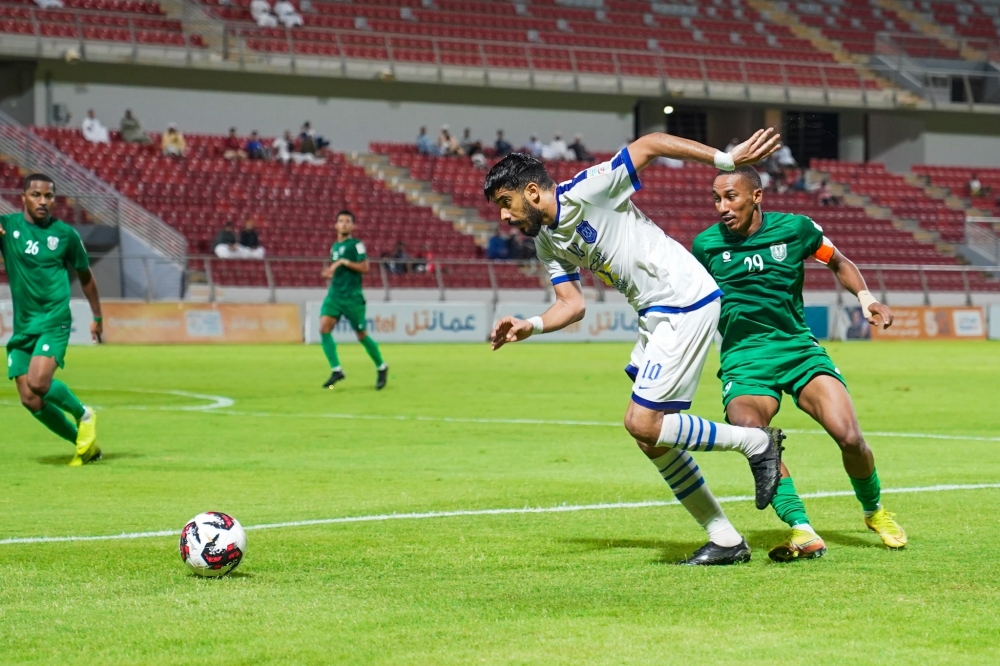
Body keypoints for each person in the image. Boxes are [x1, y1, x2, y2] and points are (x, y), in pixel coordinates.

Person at [485, 130, 785, 566]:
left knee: (642, 423)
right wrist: (529, 325)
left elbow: (650, 143)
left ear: (531, 192)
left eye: (505, 204)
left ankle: (756, 443)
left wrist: (724, 158)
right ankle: (724, 538)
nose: (504, 218)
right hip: (653, 313)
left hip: (682, 297)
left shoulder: (589, 190)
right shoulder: (547, 241)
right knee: (650, 439)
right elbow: (571, 305)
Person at [691, 165, 907, 562]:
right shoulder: (705, 246)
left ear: (756, 196)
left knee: (850, 437)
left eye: (731, 197)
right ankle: (802, 529)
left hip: (798, 350)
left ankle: (875, 511)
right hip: (745, 359)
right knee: (752, 435)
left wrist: (867, 300)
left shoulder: (796, 229)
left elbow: (838, 261)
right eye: (716, 198)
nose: (722, 206)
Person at [0, 174, 103, 466]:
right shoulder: (7, 227)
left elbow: (86, 278)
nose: (43, 201)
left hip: (53, 320)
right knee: (29, 399)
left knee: (38, 383)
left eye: (49, 196)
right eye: (36, 195)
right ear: (23, 197)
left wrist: (97, 316)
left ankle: (85, 414)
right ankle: (84, 445)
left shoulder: (66, 235)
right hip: (24, 326)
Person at [318, 210, 388, 390]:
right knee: (324, 327)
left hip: (352, 298)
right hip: (335, 295)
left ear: (353, 226)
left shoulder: (357, 245)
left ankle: (381, 366)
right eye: (340, 221)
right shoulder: (334, 246)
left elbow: (365, 268)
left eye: (347, 221)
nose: (344, 224)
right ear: (335, 225)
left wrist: (344, 262)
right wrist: (330, 272)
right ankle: (337, 370)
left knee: (361, 335)